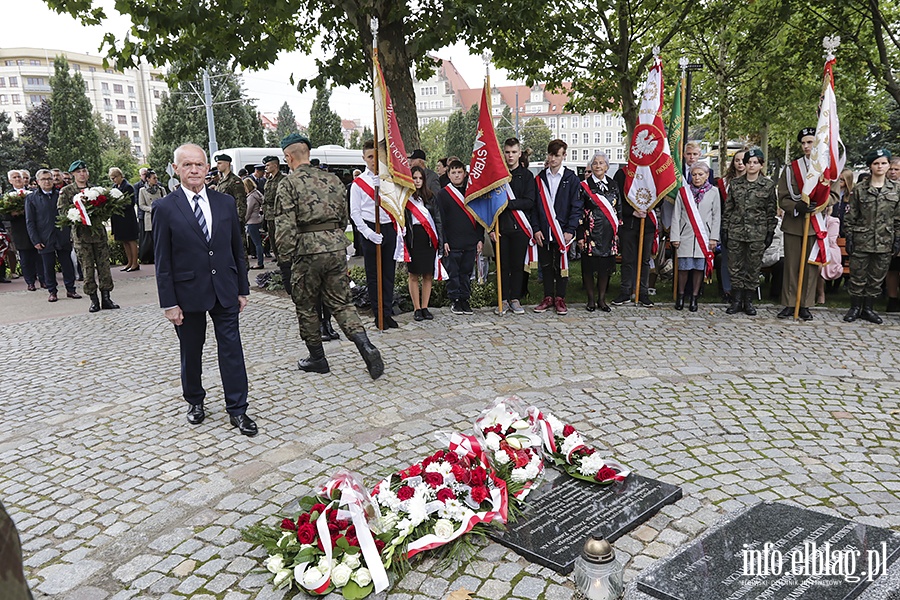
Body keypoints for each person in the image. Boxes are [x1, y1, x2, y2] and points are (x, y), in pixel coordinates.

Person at [152, 143, 258, 436]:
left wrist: (242, 288)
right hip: (187, 295)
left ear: (207, 168)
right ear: (176, 169)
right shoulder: (164, 207)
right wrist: (169, 303)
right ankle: (195, 401)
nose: (194, 170)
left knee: (232, 351)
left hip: (224, 289)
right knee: (191, 351)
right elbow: (162, 261)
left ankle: (238, 410)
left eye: (199, 164)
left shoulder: (223, 202)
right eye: (187, 165)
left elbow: (237, 249)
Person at [274, 133, 383, 379]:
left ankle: (317, 358)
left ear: (288, 157)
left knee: (306, 305)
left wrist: (285, 263)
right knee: (342, 302)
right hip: (335, 248)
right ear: (308, 154)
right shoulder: (333, 179)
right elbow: (343, 218)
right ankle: (366, 346)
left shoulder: (288, 183)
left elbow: (284, 227)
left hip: (307, 251)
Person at [775, 128, 839, 321]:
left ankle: (805, 304)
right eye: (803, 143)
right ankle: (789, 303)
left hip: (816, 224)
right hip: (794, 223)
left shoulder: (827, 169)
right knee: (791, 266)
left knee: (811, 267)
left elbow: (834, 195)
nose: (806, 146)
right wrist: (797, 206)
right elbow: (783, 197)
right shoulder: (791, 168)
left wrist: (819, 205)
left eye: (810, 142)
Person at [843, 149, 900, 324]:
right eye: (876, 163)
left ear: (889, 165)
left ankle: (868, 309)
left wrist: (897, 239)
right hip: (862, 240)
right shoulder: (860, 189)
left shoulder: (896, 190)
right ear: (870, 166)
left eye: (883, 163)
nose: (880, 166)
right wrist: (850, 238)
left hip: (884, 241)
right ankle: (854, 308)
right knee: (858, 277)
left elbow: (898, 218)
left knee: (876, 278)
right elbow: (850, 216)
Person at [58, 160, 120, 313]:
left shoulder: (96, 190)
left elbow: (106, 208)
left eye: (84, 171)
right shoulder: (66, 191)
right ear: (73, 174)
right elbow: (62, 211)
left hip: (98, 234)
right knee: (87, 268)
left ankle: (106, 297)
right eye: (79, 172)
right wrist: (78, 213)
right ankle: (93, 299)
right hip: (81, 237)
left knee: (104, 267)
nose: (82, 174)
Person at [350, 139, 399, 328]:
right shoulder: (358, 184)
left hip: (388, 227)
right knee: (374, 275)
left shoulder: (388, 179)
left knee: (388, 273)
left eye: (377, 156)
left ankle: (387, 312)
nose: (373, 160)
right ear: (364, 158)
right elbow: (355, 213)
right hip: (371, 228)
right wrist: (368, 233)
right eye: (370, 156)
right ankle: (378, 314)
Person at [723, 147, 777, 316]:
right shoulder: (735, 184)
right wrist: (725, 228)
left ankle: (748, 301)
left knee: (753, 268)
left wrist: (770, 232)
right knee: (735, 267)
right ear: (744, 165)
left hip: (757, 233)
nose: (751, 166)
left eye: (755, 163)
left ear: (761, 165)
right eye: (749, 162)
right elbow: (729, 208)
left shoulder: (767, 185)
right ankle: (736, 300)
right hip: (736, 231)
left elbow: (771, 211)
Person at [533, 139, 583, 314]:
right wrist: (536, 228)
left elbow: (576, 207)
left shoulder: (571, 179)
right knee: (546, 265)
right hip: (544, 230)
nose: (553, 158)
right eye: (550, 154)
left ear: (564, 156)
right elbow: (534, 207)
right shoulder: (539, 178)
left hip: (563, 231)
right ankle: (548, 296)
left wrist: (570, 229)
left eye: (557, 155)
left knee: (561, 265)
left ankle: (560, 298)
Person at [494, 137, 538, 315]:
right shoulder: (498, 176)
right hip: (501, 228)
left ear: (519, 154)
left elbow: (529, 202)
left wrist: (508, 205)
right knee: (502, 266)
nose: (510, 155)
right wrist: (490, 229)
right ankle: (503, 299)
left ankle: (515, 299)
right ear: (503, 153)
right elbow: (491, 205)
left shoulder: (527, 176)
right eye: (507, 152)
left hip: (520, 228)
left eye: (513, 152)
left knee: (517, 266)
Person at [25, 169, 80, 302]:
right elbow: (30, 221)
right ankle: (52, 291)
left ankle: (71, 289)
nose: (47, 181)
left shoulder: (61, 195)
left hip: (62, 235)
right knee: (48, 266)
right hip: (44, 237)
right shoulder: (32, 198)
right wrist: (35, 240)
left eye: (49, 178)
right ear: (38, 182)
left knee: (67, 264)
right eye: (44, 179)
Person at [671, 162, 720, 312]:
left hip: (704, 237)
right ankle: (681, 296)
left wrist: (713, 237)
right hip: (685, 235)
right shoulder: (683, 192)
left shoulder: (714, 192)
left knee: (699, 268)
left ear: (707, 176)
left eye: (700, 174)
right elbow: (676, 215)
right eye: (694, 174)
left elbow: (716, 216)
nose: (697, 177)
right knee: (684, 268)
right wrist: (675, 236)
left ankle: (694, 297)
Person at [437, 160, 483, 315]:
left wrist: (479, 238)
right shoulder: (443, 194)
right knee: (453, 272)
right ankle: (455, 300)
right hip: (452, 241)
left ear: (465, 173)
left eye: (459, 172)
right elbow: (441, 220)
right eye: (453, 172)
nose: (457, 175)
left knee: (466, 272)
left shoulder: (472, 192)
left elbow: (479, 217)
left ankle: (465, 298)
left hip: (470, 239)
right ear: (448, 175)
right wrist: (444, 241)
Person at [578, 152, 619, 312]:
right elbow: (578, 211)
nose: (598, 166)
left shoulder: (613, 184)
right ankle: (591, 300)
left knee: (604, 268)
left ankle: (602, 300)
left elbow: (618, 208)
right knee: (589, 268)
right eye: (595, 163)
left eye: (601, 163)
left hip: (609, 233)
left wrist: (617, 231)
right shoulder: (584, 186)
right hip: (590, 232)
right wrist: (580, 235)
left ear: (607, 167)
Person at [612, 163, 656, 307]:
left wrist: (648, 207)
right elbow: (616, 200)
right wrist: (632, 212)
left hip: (647, 223)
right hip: (629, 224)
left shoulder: (653, 173)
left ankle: (642, 292)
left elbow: (660, 194)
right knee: (628, 259)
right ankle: (625, 291)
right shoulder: (622, 174)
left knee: (644, 260)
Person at [405, 165, 443, 320]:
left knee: (428, 274)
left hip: (429, 237)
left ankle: (425, 307)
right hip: (414, 238)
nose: (418, 181)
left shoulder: (431, 197)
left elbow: (438, 221)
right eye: (415, 178)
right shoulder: (405, 197)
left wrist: (441, 242)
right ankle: (416, 308)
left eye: (420, 178)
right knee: (413, 274)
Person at [716, 150, 747, 303]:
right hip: (728, 226)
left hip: (749, 227)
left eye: (743, 160)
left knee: (745, 260)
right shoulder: (724, 183)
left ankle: (742, 292)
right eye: (737, 160)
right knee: (727, 259)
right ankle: (727, 291)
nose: (740, 163)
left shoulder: (757, 180)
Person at [108, 167, 140, 272]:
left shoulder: (128, 187)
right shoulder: (114, 187)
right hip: (118, 219)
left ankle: (135, 263)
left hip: (128, 218)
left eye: (115, 177)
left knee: (131, 240)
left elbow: (130, 203)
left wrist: (117, 206)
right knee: (124, 241)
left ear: (120, 176)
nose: (113, 180)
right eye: (112, 178)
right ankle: (129, 262)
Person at [137, 170, 164, 264]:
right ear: (148, 179)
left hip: (160, 216)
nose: (156, 180)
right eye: (154, 178)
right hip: (149, 216)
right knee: (150, 239)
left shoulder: (161, 189)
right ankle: (148, 258)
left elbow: (166, 200)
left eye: (156, 178)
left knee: (161, 237)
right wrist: (151, 209)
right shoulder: (142, 190)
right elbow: (141, 205)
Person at [215, 154, 248, 226]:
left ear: (227, 164)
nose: (217, 166)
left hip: (232, 218)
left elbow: (240, 201)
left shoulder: (234, 181)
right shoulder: (221, 181)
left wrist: (239, 219)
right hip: (223, 217)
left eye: (220, 163)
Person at [244, 177, 265, 269]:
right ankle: (260, 261)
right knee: (258, 243)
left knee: (257, 243)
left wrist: (243, 221)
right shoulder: (257, 194)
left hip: (252, 221)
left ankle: (259, 263)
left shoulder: (251, 197)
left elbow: (248, 211)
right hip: (257, 220)